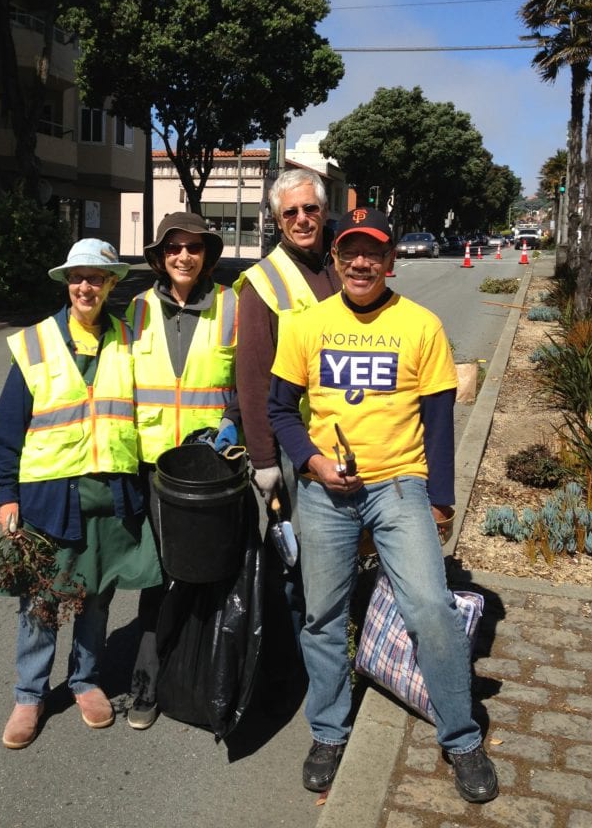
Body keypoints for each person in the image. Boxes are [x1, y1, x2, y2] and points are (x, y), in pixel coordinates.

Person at [267, 207, 499, 803]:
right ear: (337, 260)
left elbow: (440, 418)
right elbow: (279, 412)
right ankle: (328, 729)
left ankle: (462, 737)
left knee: (430, 607)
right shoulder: (306, 325)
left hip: (399, 486)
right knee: (322, 613)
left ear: (391, 261)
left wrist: (441, 501)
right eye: (350, 252)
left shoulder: (420, 325)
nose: (361, 263)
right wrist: (312, 463)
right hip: (325, 492)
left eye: (374, 253)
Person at [0, 239, 161, 750]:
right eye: (78, 277)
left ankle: (86, 681)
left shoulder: (129, 340)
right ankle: (29, 694)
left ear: (111, 284)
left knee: (97, 598)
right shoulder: (36, 343)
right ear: (68, 283)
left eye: (98, 277)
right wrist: (7, 494)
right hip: (49, 496)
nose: (87, 286)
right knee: (42, 600)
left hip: (111, 495)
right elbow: (4, 432)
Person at [126, 212, 240, 730]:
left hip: (212, 471)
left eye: (194, 248)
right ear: (159, 256)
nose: (184, 257)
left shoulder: (232, 307)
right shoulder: (136, 310)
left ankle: (211, 678)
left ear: (207, 255)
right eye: (174, 248)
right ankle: (146, 683)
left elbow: (249, 382)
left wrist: (233, 422)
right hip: (153, 468)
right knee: (159, 575)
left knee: (212, 575)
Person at [233, 169, 340, 694]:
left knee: (335, 558)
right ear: (277, 220)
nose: (301, 219)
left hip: (344, 440)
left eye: (310, 210)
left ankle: (327, 652)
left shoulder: (341, 265)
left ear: (323, 212)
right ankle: (297, 670)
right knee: (299, 567)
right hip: (294, 450)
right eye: (290, 212)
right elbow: (251, 379)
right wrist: (264, 460)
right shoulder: (264, 283)